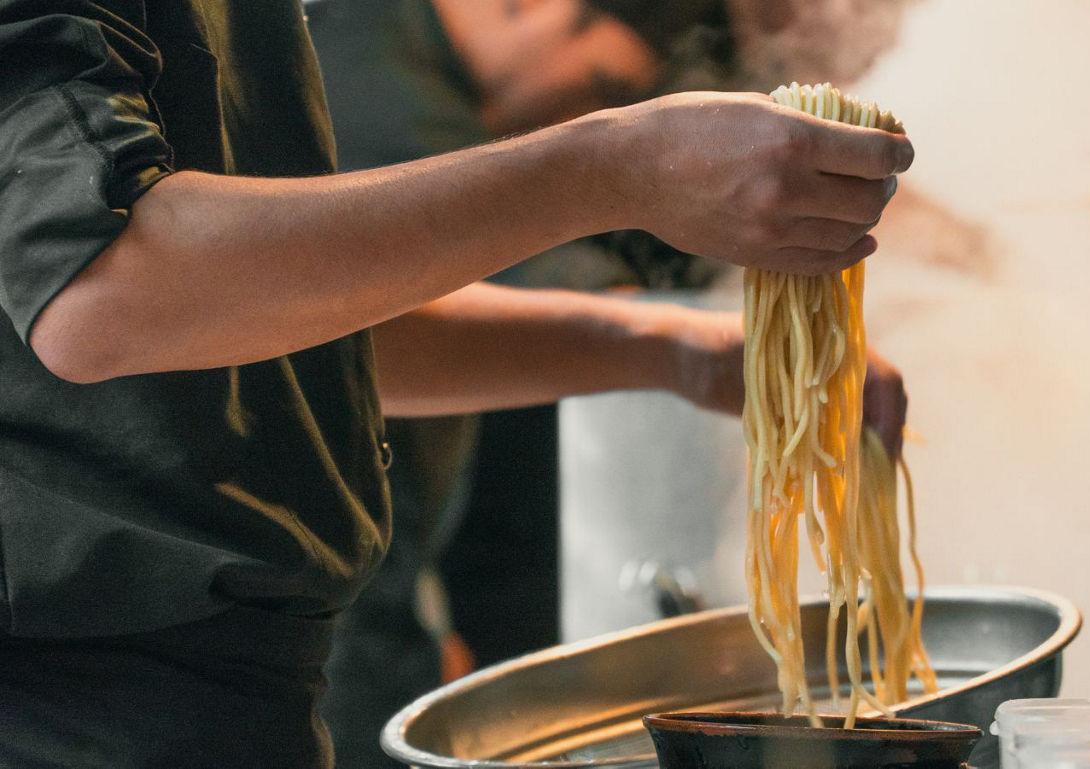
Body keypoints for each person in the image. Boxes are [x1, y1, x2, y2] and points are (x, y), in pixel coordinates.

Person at [0, 1, 912, 765]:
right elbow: (106, 285)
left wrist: (673, 348)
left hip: (222, 689)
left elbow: (266, 318)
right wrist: (617, 165)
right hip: (72, 705)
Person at [305, 2, 741, 764]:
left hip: (380, 550)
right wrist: (687, 340)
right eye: (603, 84)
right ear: (539, 9)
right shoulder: (367, 56)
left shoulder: (458, 86)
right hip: (319, 581)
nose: (586, 112)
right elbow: (499, 257)